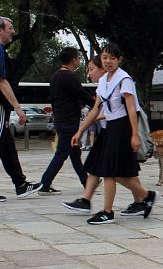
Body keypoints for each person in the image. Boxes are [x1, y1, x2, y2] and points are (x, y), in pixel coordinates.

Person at [69, 43, 156, 224]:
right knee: (116, 173)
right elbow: (95, 110)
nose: (108, 61)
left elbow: (132, 110)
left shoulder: (124, 80)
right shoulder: (103, 81)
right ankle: (146, 196)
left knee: (111, 172)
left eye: (112, 58)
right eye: (105, 57)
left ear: (119, 60)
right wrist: (80, 131)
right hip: (110, 128)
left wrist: (134, 135)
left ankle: (107, 212)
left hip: (122, 127)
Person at [0, 16, 42, 202]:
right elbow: (1, 81)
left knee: (6, 145)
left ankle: (21, 184)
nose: (13, 31)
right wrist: (17, 108)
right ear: (0, 30)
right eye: (10, 28)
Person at [38, 47, 96, 195]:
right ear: (73, 60)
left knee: (75, 154)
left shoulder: (55, 77)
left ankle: (86, 182)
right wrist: (97, 104)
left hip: (60, 119)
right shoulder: (69, 77)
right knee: (62, 153)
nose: (79, 60)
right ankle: (44, 184)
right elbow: (82, 95)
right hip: (68, 121)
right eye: (77, 58)